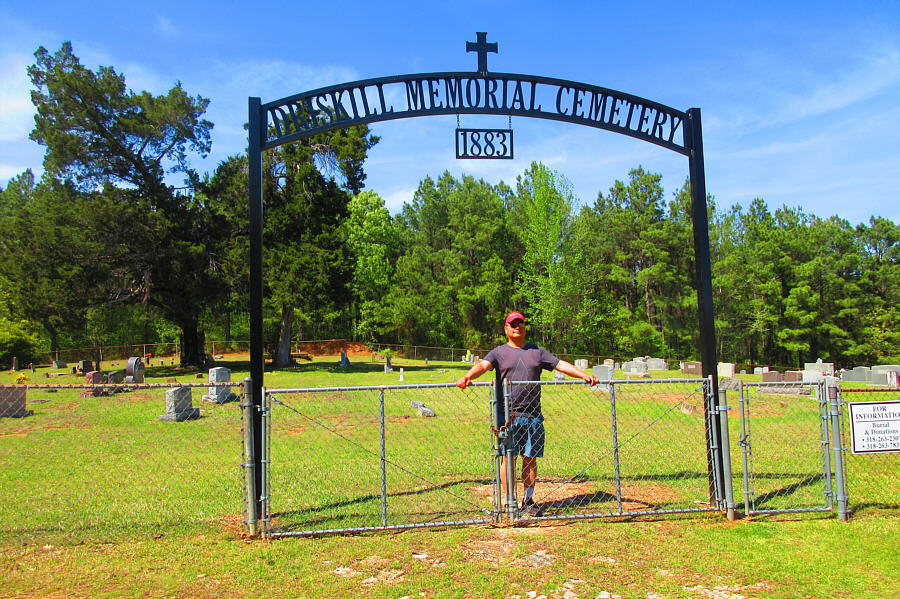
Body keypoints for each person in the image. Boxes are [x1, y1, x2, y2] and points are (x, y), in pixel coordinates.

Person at [456, 311, 599, 516]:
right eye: (512, 324)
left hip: (533, 415)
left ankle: (529, 500)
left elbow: (560, 365)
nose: (517, 327)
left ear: (524, 327)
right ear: (506, 329)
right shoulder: (498, 352)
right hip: (507, 416)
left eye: (520, 324)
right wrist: (468, 376)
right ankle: (508, 501)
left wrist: (584, 375)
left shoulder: (537, 351)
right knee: (508, 457)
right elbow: (483, 365)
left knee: (530, 458)